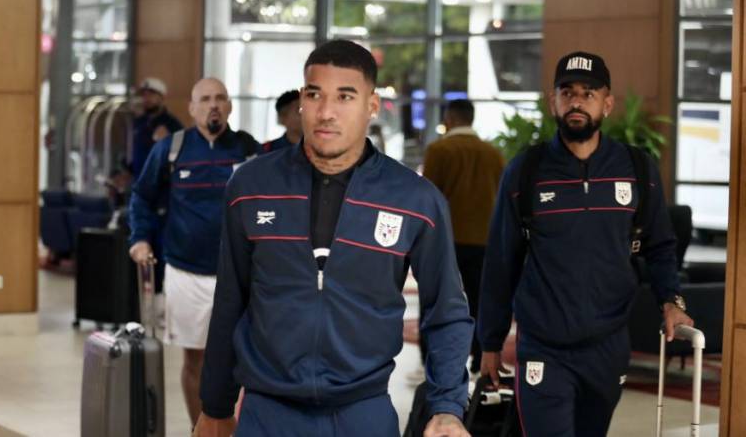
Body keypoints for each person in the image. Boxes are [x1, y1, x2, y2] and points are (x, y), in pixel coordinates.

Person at [193, 40, 474, 437]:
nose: (326, 112)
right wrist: (216, 406)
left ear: (371, 106)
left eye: (345, 96)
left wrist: (447, 406)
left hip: (363, 414)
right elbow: (231, 301)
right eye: (314, 94)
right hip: (266, 414)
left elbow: (445, 311)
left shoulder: (414, 199)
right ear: (301, 102)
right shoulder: (251, 186)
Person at [478, 51, 694, 437]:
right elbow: (501, 261)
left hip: (608, 346)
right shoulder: (526, 172)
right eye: (568, 92)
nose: (577, 101)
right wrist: (490, 342)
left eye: (588, 93)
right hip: (543, 346)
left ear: (607, 104)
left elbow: (660, 245)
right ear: (554, 101)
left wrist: (672, 302)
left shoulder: (637, 169)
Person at [129, 77, 259, 426]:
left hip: (240, 274)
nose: (213, 105)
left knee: (245, 359)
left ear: (229, 106)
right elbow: (141, 197)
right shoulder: (172, 149)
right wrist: (139, 238)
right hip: (186, 271)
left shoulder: (248, 150)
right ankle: (199, 430)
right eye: (204, 99)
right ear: (192, 108)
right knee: (196, 359)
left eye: (220, 98)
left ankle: (235, 430)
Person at [422, 99, 504, 374]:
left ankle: (434, 360)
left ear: (451, 118)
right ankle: (481, 358)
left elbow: (429, 198)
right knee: (480, 301)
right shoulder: (493, 154)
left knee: (438, 301)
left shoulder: (439, 150)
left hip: (446, 240)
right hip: (484, 240)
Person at [130, 77, 183, 177]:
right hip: (138, 181)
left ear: (162, 97)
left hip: (161, 183)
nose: (147, 99)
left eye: (151, 95)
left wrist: (167, 141)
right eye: (144, 95)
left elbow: (182, 155)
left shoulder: (172, 124)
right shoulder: (138, 122)